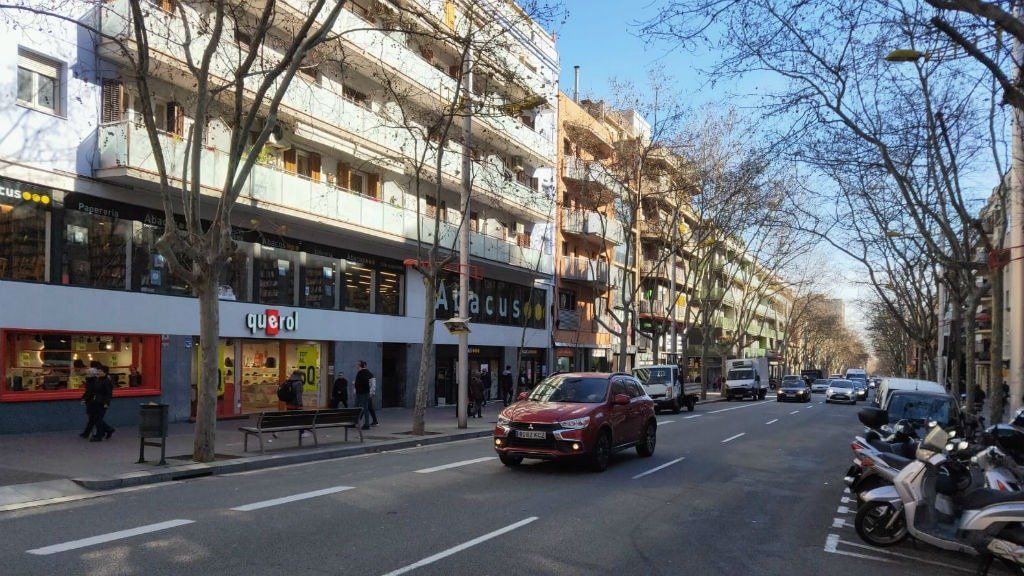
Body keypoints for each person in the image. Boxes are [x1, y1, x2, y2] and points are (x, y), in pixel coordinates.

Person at [89, 365, 115, 442]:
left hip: (103, 402)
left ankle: (99, 436)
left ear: (105, 372)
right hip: (96, 401)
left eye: (100, 371)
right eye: (98, 371)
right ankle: (108, 429)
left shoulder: (107, 381)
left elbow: (109, 393)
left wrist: (106, 403)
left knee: (98, 419)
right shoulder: (98, 379)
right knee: (96, 418)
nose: (98, 372)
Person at [79, 361, 100, 439]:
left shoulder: (90, 381)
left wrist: (84, 399)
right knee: (94, 418)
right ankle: (87, 433)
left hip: (91, 401)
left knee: (93, 418)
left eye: (88, 373)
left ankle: (87, 433)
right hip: (93, 400)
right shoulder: (95, 380)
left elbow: (89, 391)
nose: (86, 374)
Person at [354, 360, 374, 430]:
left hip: (360, 393)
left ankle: (355, 422)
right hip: (367, 393)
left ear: (360, 366)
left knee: (356, 407)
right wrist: (371, 392)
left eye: (357, 365)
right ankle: (367, 423)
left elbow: (357, 383)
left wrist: (356, 390)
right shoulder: (369, 373)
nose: (356, 366)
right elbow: (372, 383)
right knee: (366, 409)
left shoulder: (360, 373)